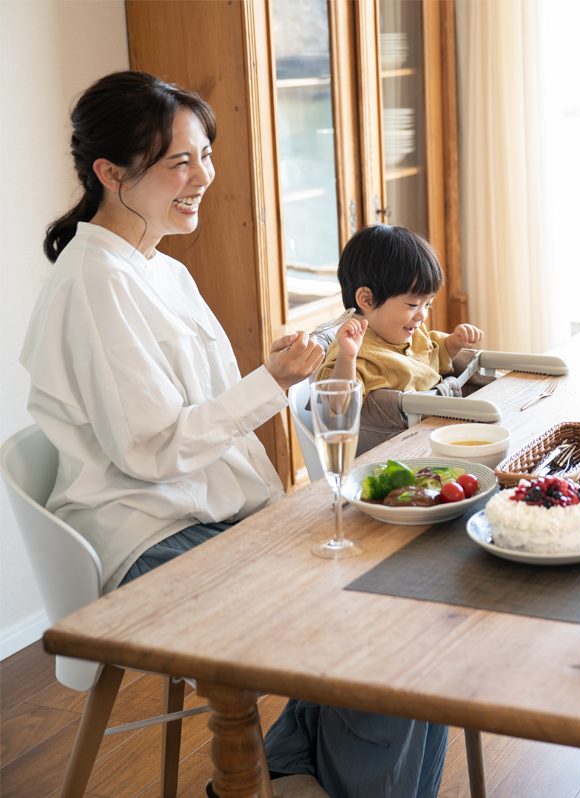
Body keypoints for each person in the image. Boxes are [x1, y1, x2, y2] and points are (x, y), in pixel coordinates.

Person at [25, 70, 446, 798]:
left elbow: (207, 411)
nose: (201, 177)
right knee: (384, 631)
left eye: (205, 155)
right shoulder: (96, 280)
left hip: (217, 514)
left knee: (410, 598)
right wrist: (271, 384)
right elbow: (151, 451)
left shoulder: (160, 269)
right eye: (178, 161)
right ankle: (300, 779)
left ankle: (285, 774)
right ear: (110, 172)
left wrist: (274, 375)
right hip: (156, 535)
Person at [314, 223, 484, 452]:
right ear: (367, 300)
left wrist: (454, 343)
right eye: (413, 304)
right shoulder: (355, 351)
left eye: (428, 304)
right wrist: (347, 357)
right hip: (409, 449)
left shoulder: (410, 333)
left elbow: (432, 357)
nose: (422, 315)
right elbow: (336, 407)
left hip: (444, 429)